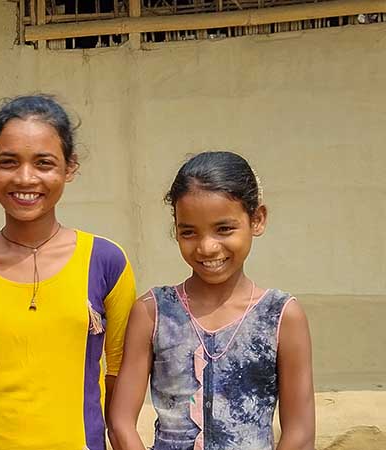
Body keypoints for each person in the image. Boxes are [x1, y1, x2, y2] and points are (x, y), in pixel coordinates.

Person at [0, 94, 136, 450]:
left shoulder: (105, 261)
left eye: (44, 163)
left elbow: (121, 369)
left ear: (69, 167)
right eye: (9, 162)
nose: (25, 178)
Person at [108, 151, 315, 450]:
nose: (207, 247)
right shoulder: (153, 313)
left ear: (257, 219)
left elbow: (300, 433)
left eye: (224, 229)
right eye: (189, 232)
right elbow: (120, 422)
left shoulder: (281, 316)